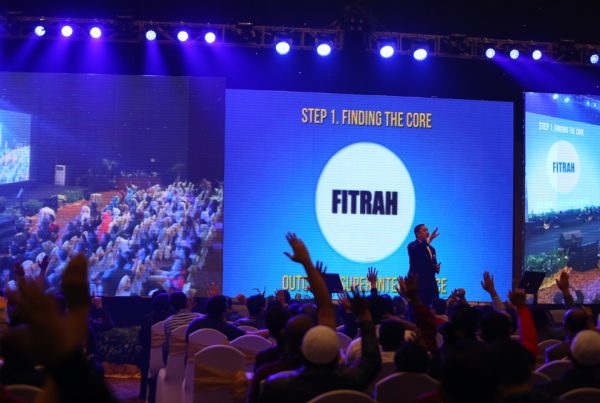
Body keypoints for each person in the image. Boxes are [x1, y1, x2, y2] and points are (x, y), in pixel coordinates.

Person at [408, 224, 441, 306]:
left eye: (427, 230)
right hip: (419, 285)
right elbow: (419, 248)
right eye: (424, 230)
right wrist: (430, 239)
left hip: (431, 285)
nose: (427, 232)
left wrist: (436, 268)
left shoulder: (432, 249)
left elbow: (433, 264)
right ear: (418, 234)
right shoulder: (412, 246)